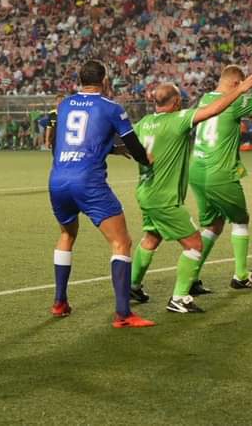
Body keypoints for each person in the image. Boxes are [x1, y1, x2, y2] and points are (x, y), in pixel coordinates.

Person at [128, 74, 252, 314]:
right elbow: (214, 109)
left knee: (151, 238)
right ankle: (179, 298)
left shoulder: (144, 122)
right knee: (194, 243)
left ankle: (132, 286)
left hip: (145, 192)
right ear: (176, 101)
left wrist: (134, 155)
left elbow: (120, 142)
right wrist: (240, 90)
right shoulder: (178, 119)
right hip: (164, 199)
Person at [47, 59, 155, 328]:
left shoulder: (65, 105)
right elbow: (133, 144)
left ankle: (60, 302)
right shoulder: (111, 107)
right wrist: (145, 160)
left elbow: (64, 142)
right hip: (88, 182)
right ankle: (123, 314)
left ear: (79, 80)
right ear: (105, 80)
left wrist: (109, 149)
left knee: (67, 234)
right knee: (121, 243)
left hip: (58, 178)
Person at [186, 64, 252, 293]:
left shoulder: (204, 98)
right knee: (241, 219)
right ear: (234, 84)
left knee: (213, 225)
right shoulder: (235, 101)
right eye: (241, 86)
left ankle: (191, 277)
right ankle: (241, 274)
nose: (244, 91)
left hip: (197, 171)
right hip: (219, 173)